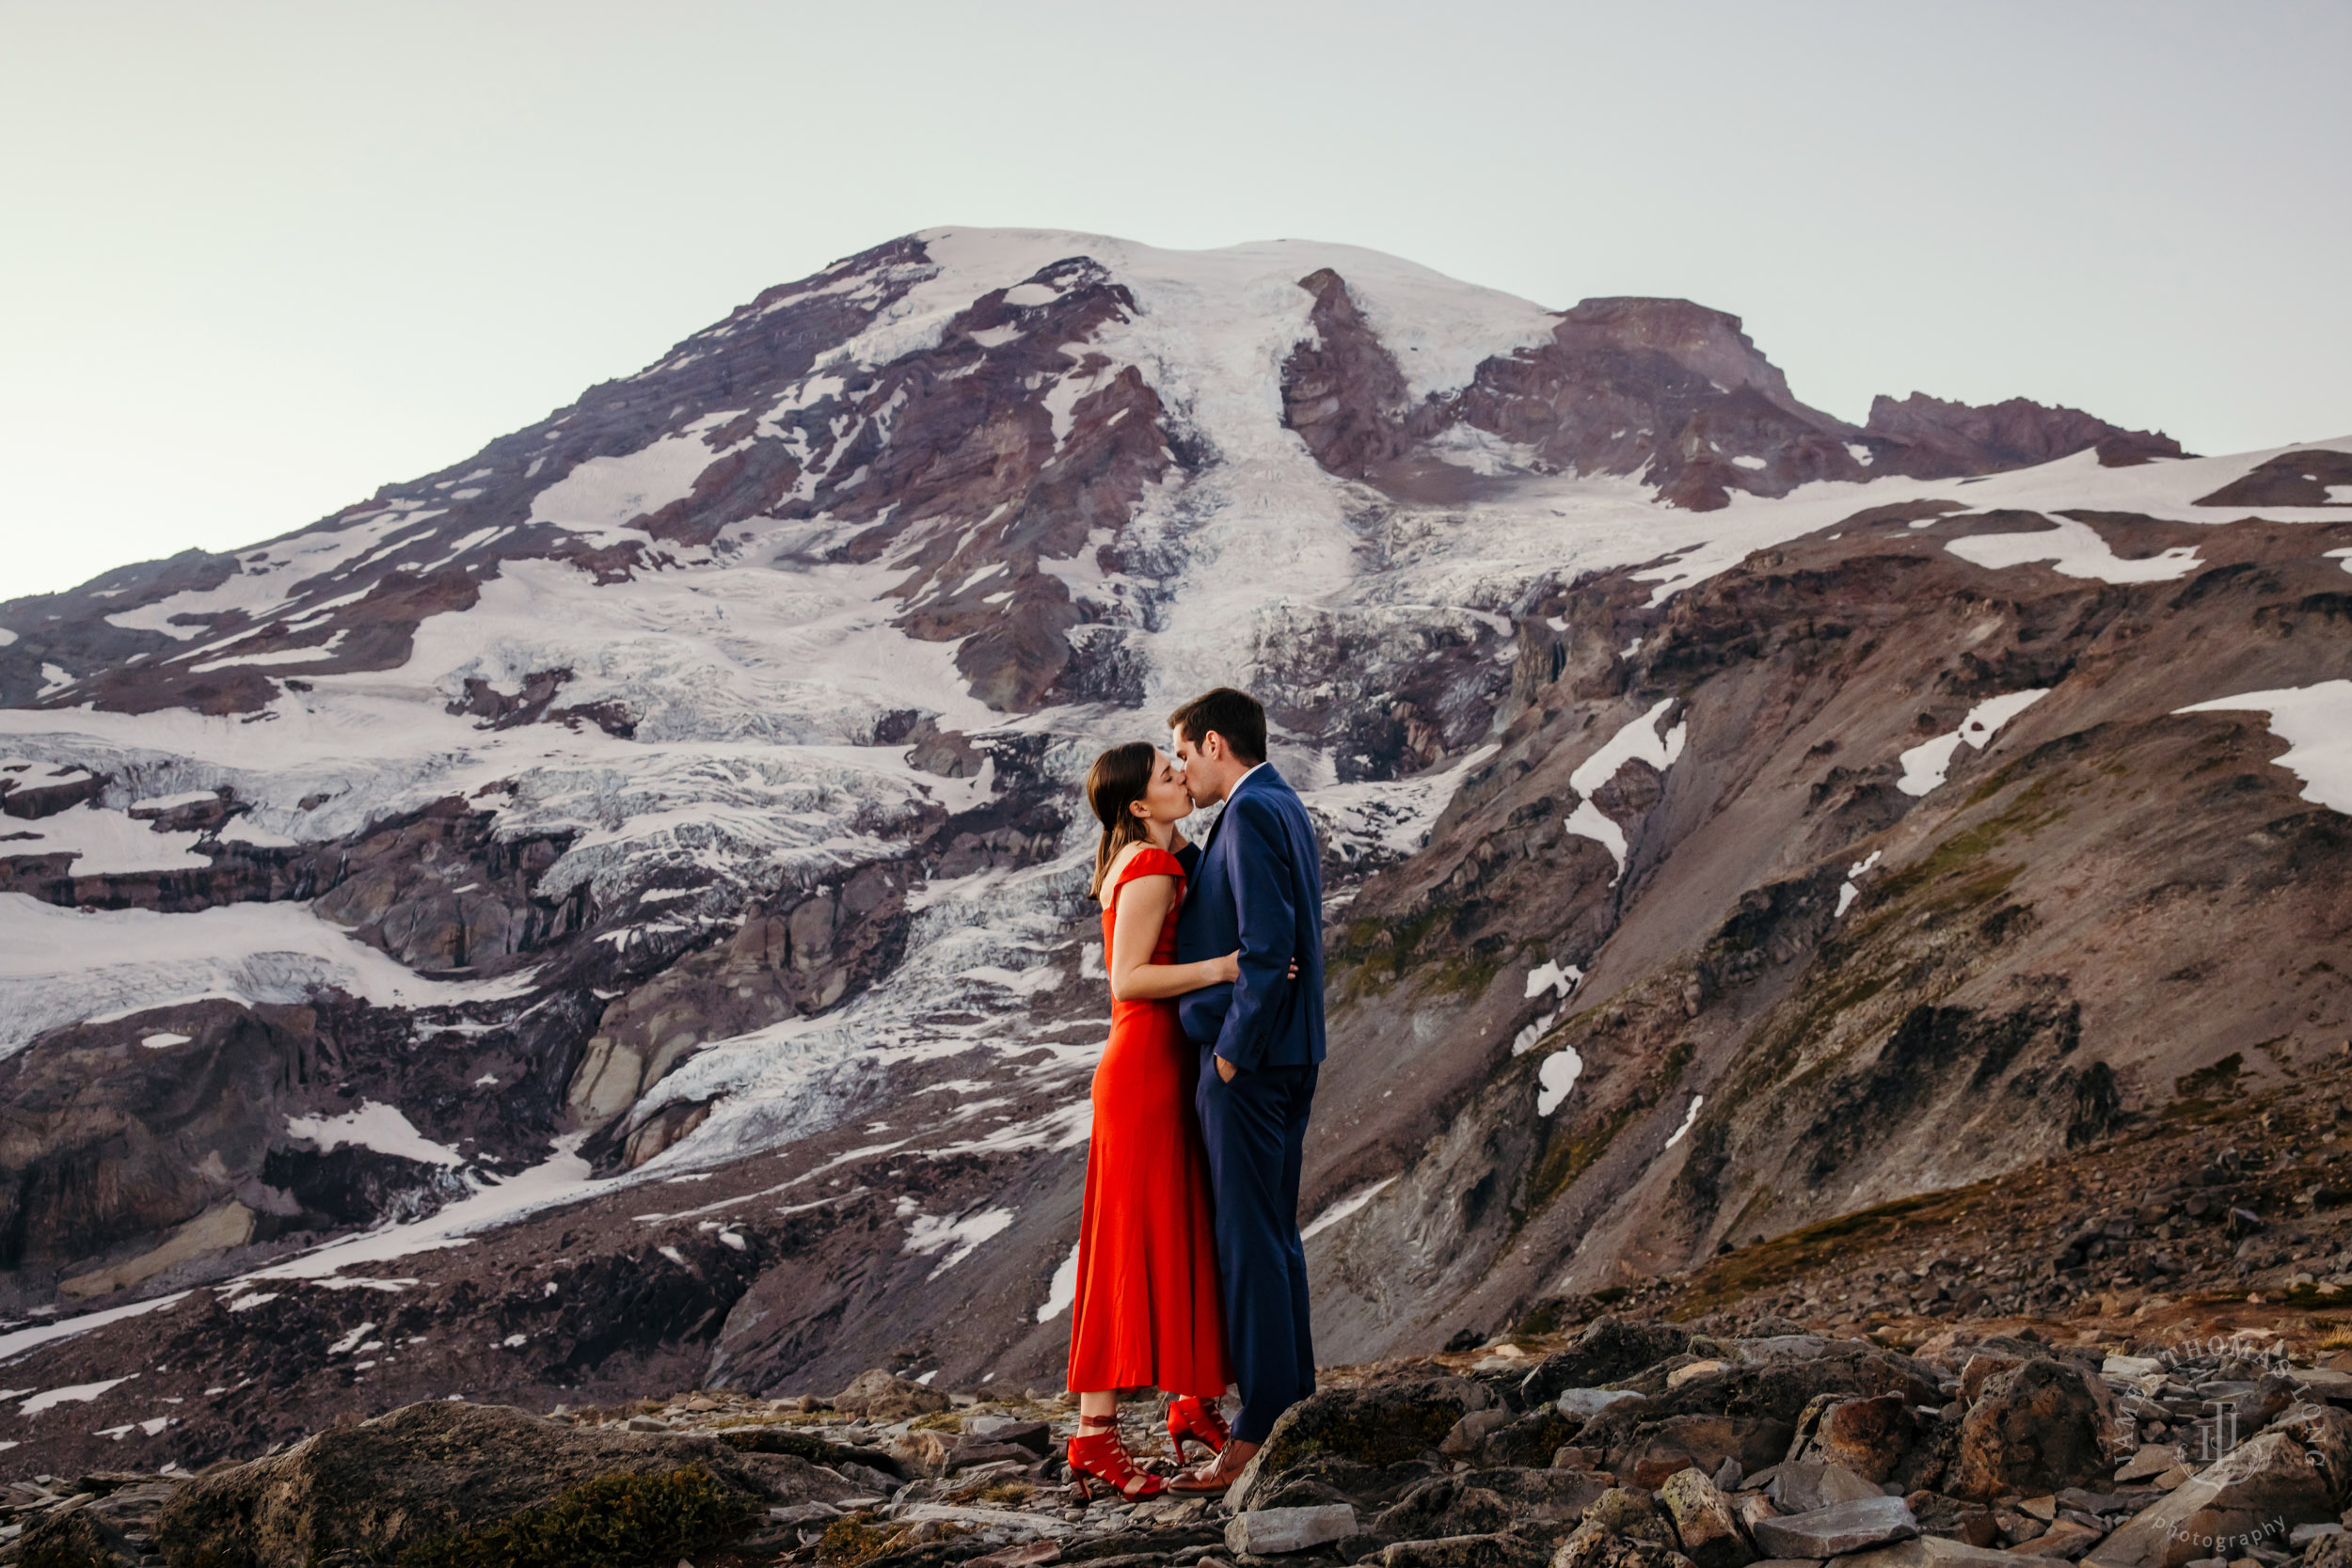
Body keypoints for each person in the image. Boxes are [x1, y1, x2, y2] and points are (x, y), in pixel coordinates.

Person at [1061, 742, 1240, 1500]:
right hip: (1142, 1069)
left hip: (1159, 1066)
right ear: (1139, 804)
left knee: (1174, 1226)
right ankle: (1095, 1435)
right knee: (1126, 1240)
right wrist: (1224, 968)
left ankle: (1188, 1400)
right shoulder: (1149, 866)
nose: (1180, 777)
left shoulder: (1157, 857)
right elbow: (1128, 978)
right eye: (1167, 776)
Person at [1162, 687, 1327, 1495]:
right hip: (1288, 1056)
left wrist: (1229, 1055)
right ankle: (1295, 1405)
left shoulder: (1253, 811)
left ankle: (1258, 1428)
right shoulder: (1279, 803)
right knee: (1276, 1233)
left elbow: (1269, 941)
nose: (1182, 770)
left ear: (1216, 744)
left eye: (1185, 754)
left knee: (1250, 1241)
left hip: (1252, 1065)